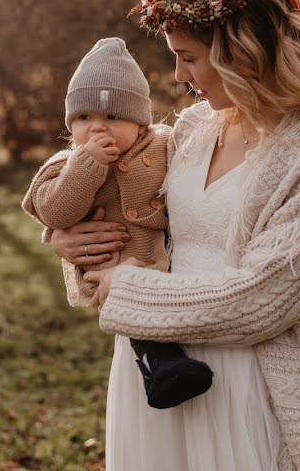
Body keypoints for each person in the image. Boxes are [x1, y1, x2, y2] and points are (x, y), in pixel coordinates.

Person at [49, 0, 300, 471]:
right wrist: (66, 238)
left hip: (251, 386)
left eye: (189, 57)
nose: (179, 77)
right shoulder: (195, 129)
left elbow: (269, 297)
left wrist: (132, 291)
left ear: (241, 49)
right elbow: (117, 197)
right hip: (156, 375)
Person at [22, 37, 214, 409]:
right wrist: (87, 165)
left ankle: (166, 364)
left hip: (162, 262)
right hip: (108, 269)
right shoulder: (65, 166)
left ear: (140, 124)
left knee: (159, 311)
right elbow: (56, 213)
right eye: (83, 118)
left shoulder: (164, 144)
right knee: (143, 327)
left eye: (112, 117)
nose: (97, 128)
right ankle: (160, 369)